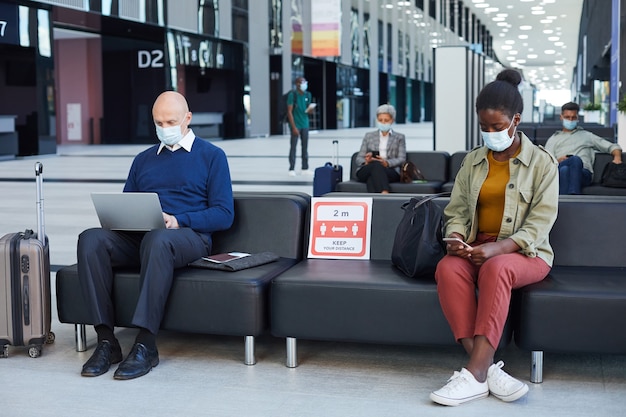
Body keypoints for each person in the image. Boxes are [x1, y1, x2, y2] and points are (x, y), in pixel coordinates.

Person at [77, 91, 234, 380]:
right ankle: (106, 341)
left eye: (170, 121)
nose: (165, 128)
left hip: (189, 237)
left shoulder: (212, 156)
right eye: (158, 122)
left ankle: (146, 344)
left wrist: (177, 220)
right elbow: (127, 204)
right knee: (91, 239)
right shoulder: (143, 159)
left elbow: (224, 213)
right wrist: (121, 219)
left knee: (158, 239)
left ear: (187, 119)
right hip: (144, 238)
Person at [430, 69, 559, 406]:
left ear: (516, 120)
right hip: (477, 245)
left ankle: (472, 376)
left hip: (526, 253)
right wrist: (456, 236)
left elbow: (540, 223)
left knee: (497, 268)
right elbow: (456, 210)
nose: (490, 133)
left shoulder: (542, 164)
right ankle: (486, 370)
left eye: (497, 127)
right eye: (484, 128)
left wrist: (499, 248)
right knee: (447, 269)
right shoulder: (472, 161)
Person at [544, 101, 622, 194]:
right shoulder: (553, 139)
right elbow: (545, 164)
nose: (570, 120)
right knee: (565, 169)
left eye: (573, 117)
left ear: (577, 118)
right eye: (567, 117)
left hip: (583, 173)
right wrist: (558, 160)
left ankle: (564, 204)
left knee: (575, 160)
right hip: (559, 170)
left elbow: (612, 146)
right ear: (561, 117)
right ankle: (574, 197)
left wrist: (617, 157)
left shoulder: (587, 136)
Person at [354, 104, 406, 193]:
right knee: (376, 165)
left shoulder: (399, 137)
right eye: (380, 120)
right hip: (367, 169)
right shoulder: (369, 136)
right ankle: (384, 192)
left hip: (390, 170)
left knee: (373, 177)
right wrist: (366, 161)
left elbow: (402, 159)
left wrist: (387, 163)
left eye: (386, 120)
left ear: (392, 121)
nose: (383, 122)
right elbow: (359, 158)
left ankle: (376, 201)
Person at [286, 77, 314, 176]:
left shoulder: (308, 94)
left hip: (305, 124)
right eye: (302, 82)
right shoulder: (292, 95)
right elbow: (289, 111)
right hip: (296, 124)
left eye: (305, 82)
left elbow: (308, 110)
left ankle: (305, 167)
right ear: (297, 84)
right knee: (293, 147)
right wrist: (293, 127)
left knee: (305, 147)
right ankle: (291, 168)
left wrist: (311, 109)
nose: (304, 84)